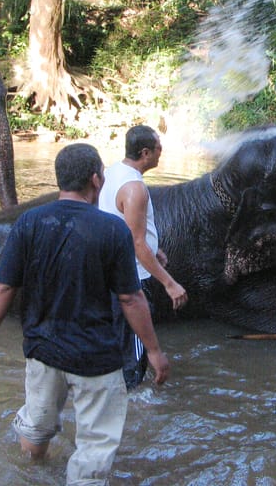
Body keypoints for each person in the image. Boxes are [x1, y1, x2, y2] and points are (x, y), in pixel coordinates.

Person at [0, 143, 169, 485]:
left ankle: (30, 473)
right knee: (95, 446)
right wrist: (156, 352)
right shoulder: (112, 230)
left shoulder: (29, 222)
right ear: (96, 180)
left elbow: (3, 287)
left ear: (60, 180)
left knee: (38, 427)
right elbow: (131, 299)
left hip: (43, 352)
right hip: (97, 359)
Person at [98, 125, 188, 389]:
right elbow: (137, 243)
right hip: (130, 279)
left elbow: (121, 223)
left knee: (117, 343)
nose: (162, 151)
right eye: (159, 147)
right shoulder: (135, 188)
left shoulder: (111, 172)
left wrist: (153, 246)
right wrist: (169, 283)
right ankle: (135, 406)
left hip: (109, 274)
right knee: (135, 356)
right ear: (146, 153)